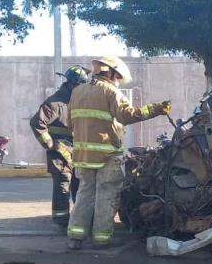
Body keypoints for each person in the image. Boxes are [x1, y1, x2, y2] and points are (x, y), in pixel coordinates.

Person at [66, 56, 171, 249]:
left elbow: (69, 123)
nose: (118, 80)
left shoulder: (77, 92)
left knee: (84, 194)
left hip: (82, 155)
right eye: (117, 76)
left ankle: (76, 237)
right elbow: (127, 115)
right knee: (106, 196)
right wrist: (156, 109)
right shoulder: (111, 91)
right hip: (107, 155)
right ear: (111, 72)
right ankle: (101, 239)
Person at [29, 65, 89, 226]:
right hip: (60, 154)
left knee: (79, 183)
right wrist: (49, 144)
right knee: (64, 183)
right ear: (72, 84)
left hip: (77, 152)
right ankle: (62, 220)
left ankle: (79, 218)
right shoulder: (55, 103)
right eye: (81, 85)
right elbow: (36, 122)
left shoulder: (77, 101)